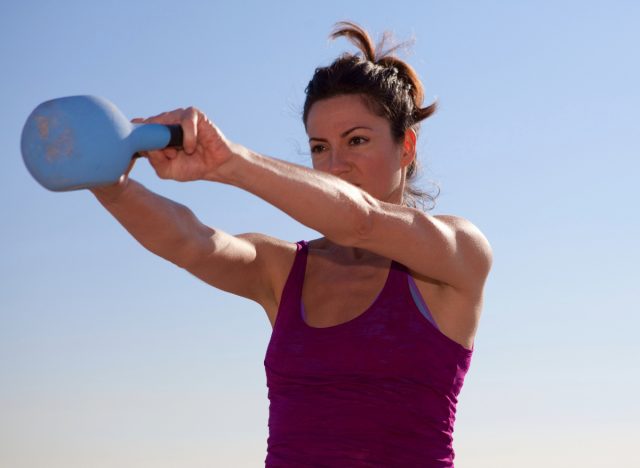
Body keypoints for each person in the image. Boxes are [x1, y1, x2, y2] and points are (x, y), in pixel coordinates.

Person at [91, 20, 492, 468]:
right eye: (319, 147)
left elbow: (361, 221)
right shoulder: (283, 269)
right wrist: (107, 182)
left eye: (357, 141)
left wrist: (230, 162)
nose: (336, 165)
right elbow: (192, 244)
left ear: (406, 146)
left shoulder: (456, 254)